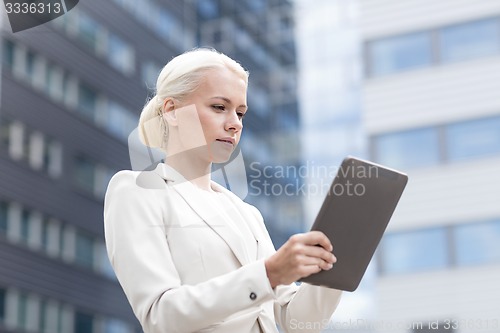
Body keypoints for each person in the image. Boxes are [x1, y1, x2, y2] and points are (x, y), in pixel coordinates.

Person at [104, 48, 342, 333]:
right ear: (171, 111)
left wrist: (340, 258)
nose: (235, 124)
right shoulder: (137, 191)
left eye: (240, 112)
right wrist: (269, 273)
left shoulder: (247, 214)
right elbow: (160, 315)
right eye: (219, 107)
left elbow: (297, 322)